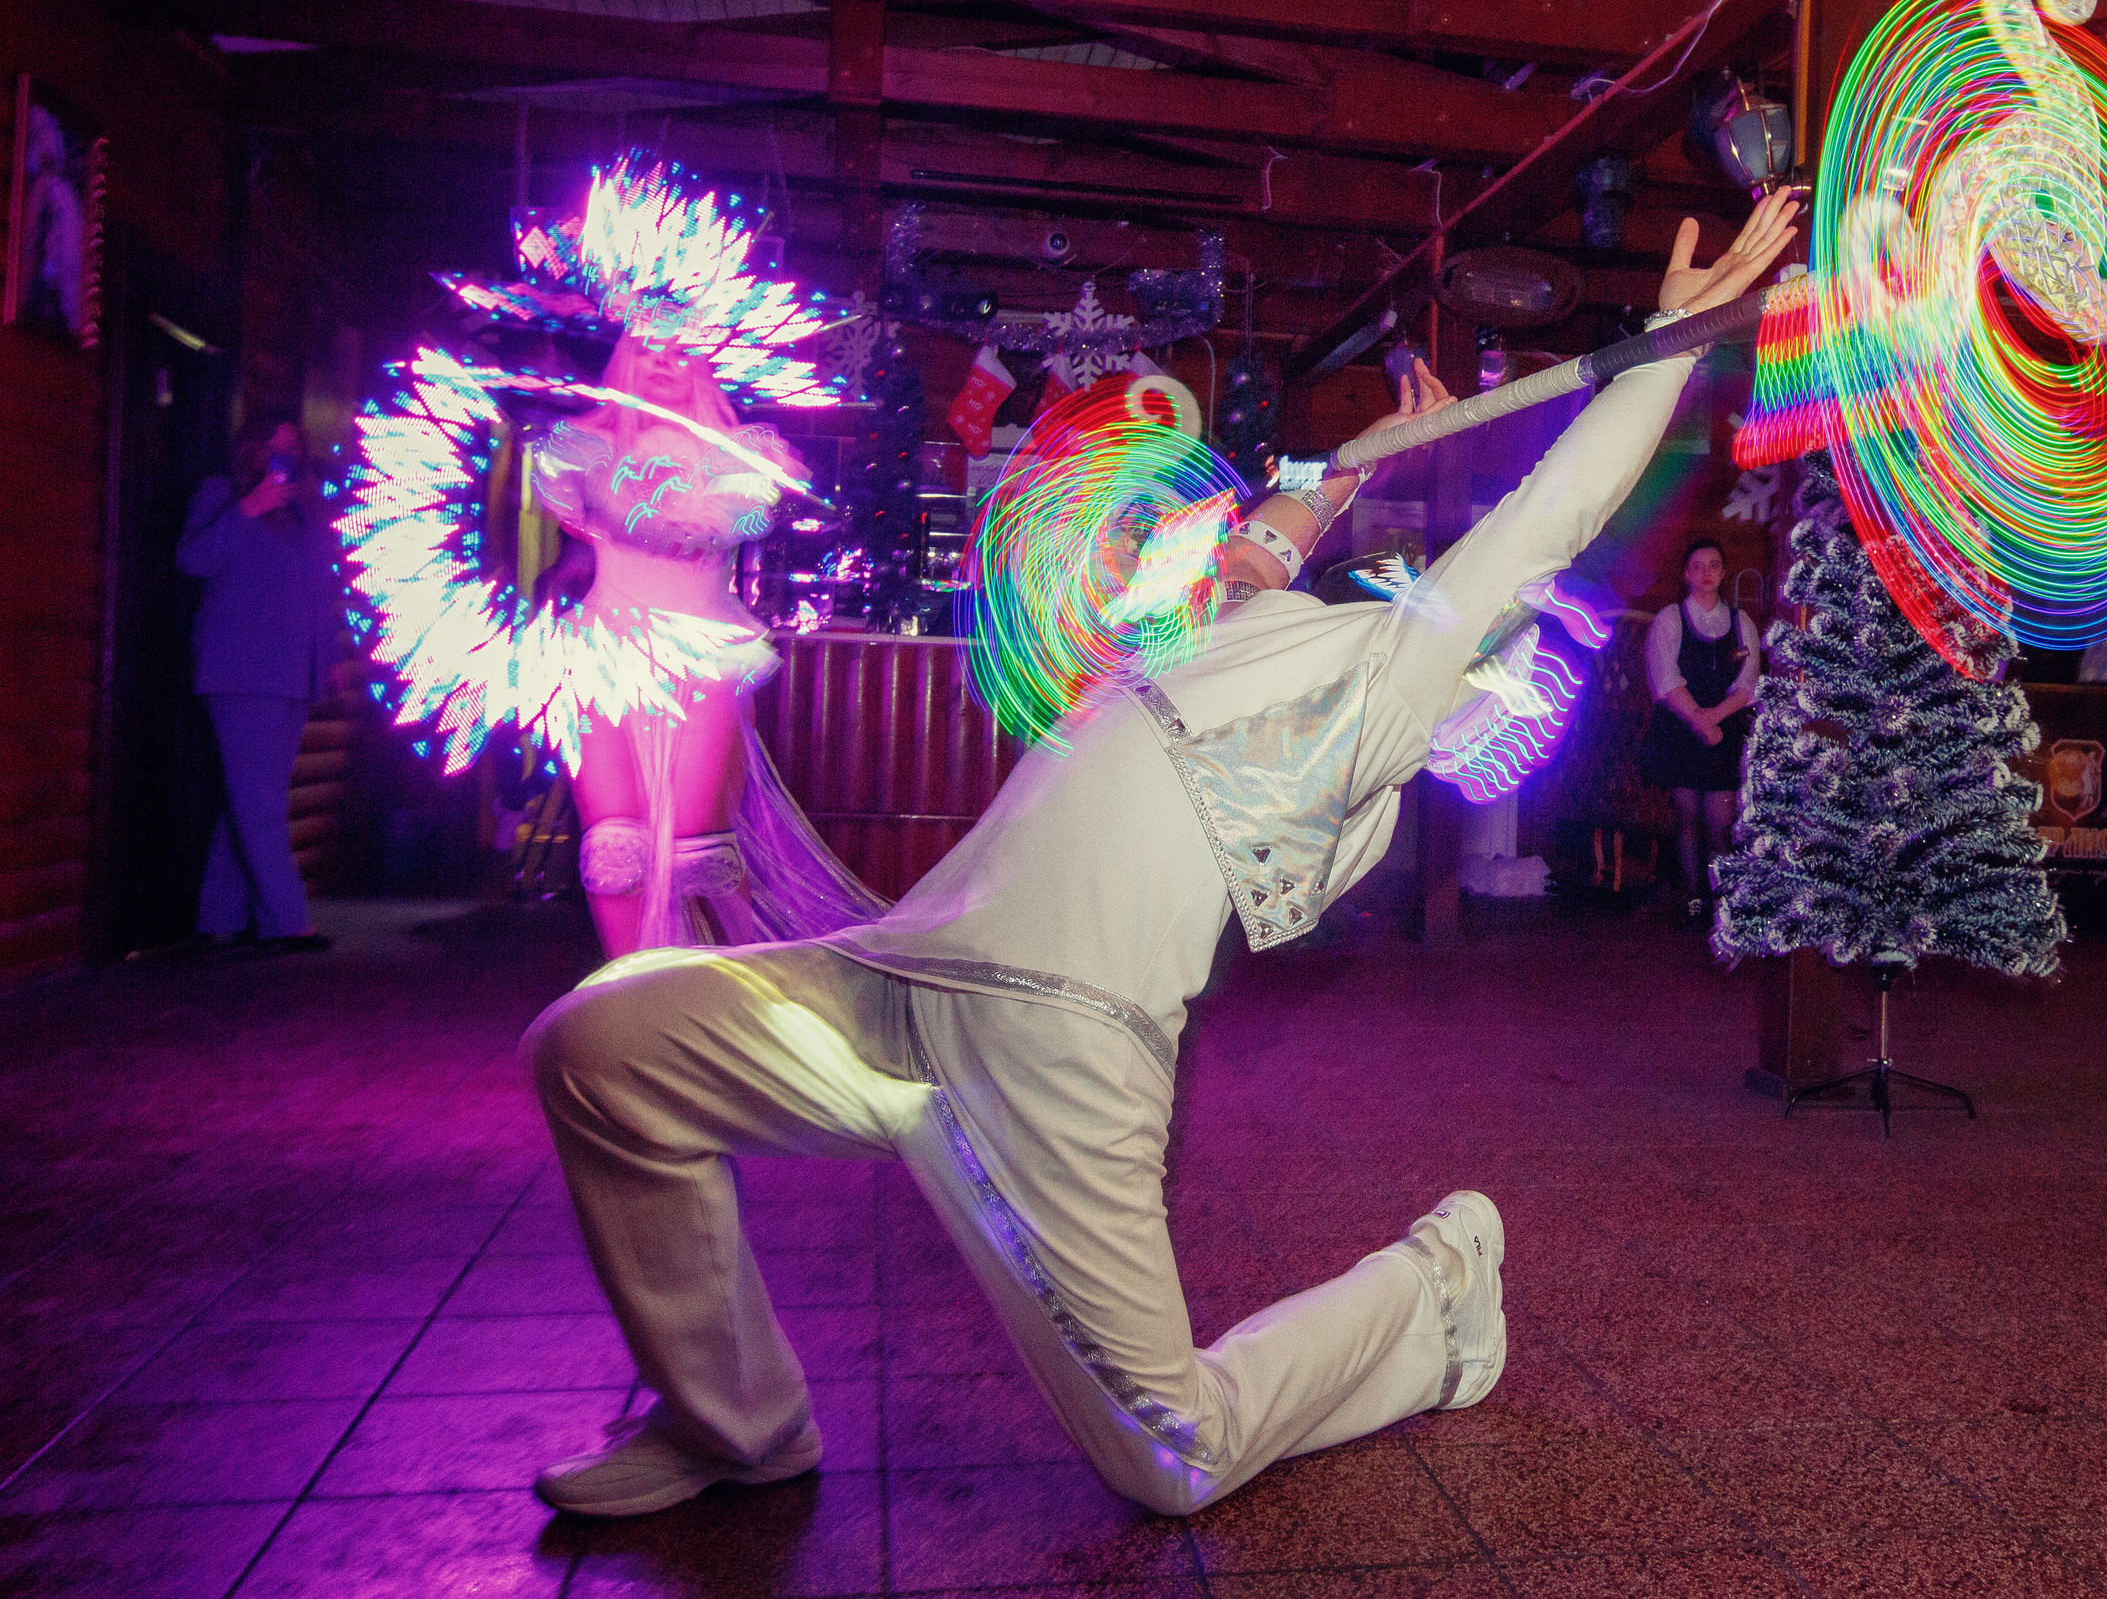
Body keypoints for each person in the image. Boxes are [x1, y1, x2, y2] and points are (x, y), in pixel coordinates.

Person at [519, 192, 1801, 1519]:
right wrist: (1360, 457)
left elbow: (1553, 518)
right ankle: (737, 1424)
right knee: (596, 1049)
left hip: (1059, 1051)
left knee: (1169, 1455)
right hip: (897, 979)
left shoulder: (1381, 694)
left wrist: (1670, 342)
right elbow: (1278, 527)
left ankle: (1435, 1291)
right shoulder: (1236, 622)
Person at [526, 335, 882, 956]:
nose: (663, 362)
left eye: (679, 350)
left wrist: (683, 520)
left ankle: (715, 1006)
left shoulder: (744, 453)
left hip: (705, 653)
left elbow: (740, 518)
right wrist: (634, 509)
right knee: (612, 850)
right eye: (648, 349)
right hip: (602, 651)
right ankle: (627, 1002)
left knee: (699, 849)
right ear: (625, 358)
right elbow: (580, 508)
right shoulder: (580, 445)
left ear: (703, 364)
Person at [177, 421, 341, 955]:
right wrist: (249, 509)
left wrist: (326, 662)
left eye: (295, 447)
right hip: (239, 672)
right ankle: (287, 921)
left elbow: (319, 596)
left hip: (291, 676)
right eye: (275, 444)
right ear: (251, 445)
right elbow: (191, 560)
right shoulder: (223, 496)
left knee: (250, 800)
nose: (285, 456)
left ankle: (217, 915)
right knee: (258, 799)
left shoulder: (305, 515)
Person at [1636, 537, 1761, 927]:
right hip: (1681, 732)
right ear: (1686, 573)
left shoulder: (1742, 623)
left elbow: (1748, 682)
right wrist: (1699, 721)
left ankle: (1722, 905)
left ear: (1723, 573)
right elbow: (1666, 678)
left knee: (1720, 822)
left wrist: (1716, 719)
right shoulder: (1670, 619)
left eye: (1714, 565)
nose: (1706, 573)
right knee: (1688, 818)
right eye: (1698, 566)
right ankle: (1693, 903)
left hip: (1723, 732)